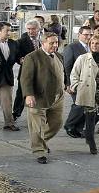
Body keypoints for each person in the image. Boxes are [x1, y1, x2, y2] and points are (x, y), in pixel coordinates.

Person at [20, 32, 65, 164]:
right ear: (43, 43)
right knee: (37, 127)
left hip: (57, 97)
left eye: (56, 42)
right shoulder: (32, 57)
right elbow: (25, 78)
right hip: (38, 97)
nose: (55, 45)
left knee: (57, 123)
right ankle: (39, 151)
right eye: (51, 43)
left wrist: (65, 86)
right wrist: (28, 95)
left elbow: (61, 73)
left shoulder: (58, 56)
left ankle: (41, 141)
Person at [69, 34, 99, 155]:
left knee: (98, 115)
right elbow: (74, 74)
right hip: (88, 91)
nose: (94, 46)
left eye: (97, 43)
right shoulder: (83, 58)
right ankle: (91, 141)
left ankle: (86, 133)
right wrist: (76, 86)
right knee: (90, 115)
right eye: (92, 43)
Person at [63, 26, 93, 138]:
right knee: (79, 104)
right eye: (86, 35)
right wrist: (67, 84)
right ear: (79, 35)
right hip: (76, 82)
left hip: (90, 82)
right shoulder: (71, 47)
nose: (88, 37)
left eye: (90, 35)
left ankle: (78, 128)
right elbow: (67, 66)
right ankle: (69, 125)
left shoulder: (92, 47)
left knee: (87, 106)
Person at [0, 21, 20, 131]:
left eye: (10, 30)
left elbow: (16, 57)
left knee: (7, 102)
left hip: (7, 77)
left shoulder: (13, 43)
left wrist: (20, 60)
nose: (9, 32)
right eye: (6, 30)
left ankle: (9, 123)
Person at [12, 19, 42, 120]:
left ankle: (40, 113)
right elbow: (17, 55)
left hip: (42, 72)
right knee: (21, 93)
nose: (30, 31)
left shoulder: (44, 39)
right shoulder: (21, 41)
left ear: (38, 29)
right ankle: (16, 113)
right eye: (28, 29)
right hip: (26, 72)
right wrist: (20, 59)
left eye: (33, 29)